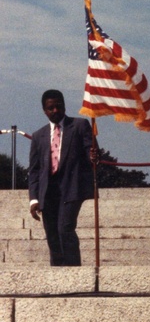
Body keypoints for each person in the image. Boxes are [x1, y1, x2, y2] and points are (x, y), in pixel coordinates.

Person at [27, 89, 96, 267]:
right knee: (52, 234)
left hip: (72, 189)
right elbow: (34, 171)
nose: (55, 111)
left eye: (58, 106)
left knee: (65, 229)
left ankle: (74, 273)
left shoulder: (80, 126)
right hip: (48, 192)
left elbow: (92, 153)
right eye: (51, 108)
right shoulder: (38, 136)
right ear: (44, 110)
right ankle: (58, 275)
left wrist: (94, 156)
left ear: (64, 106)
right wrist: (34, 199)